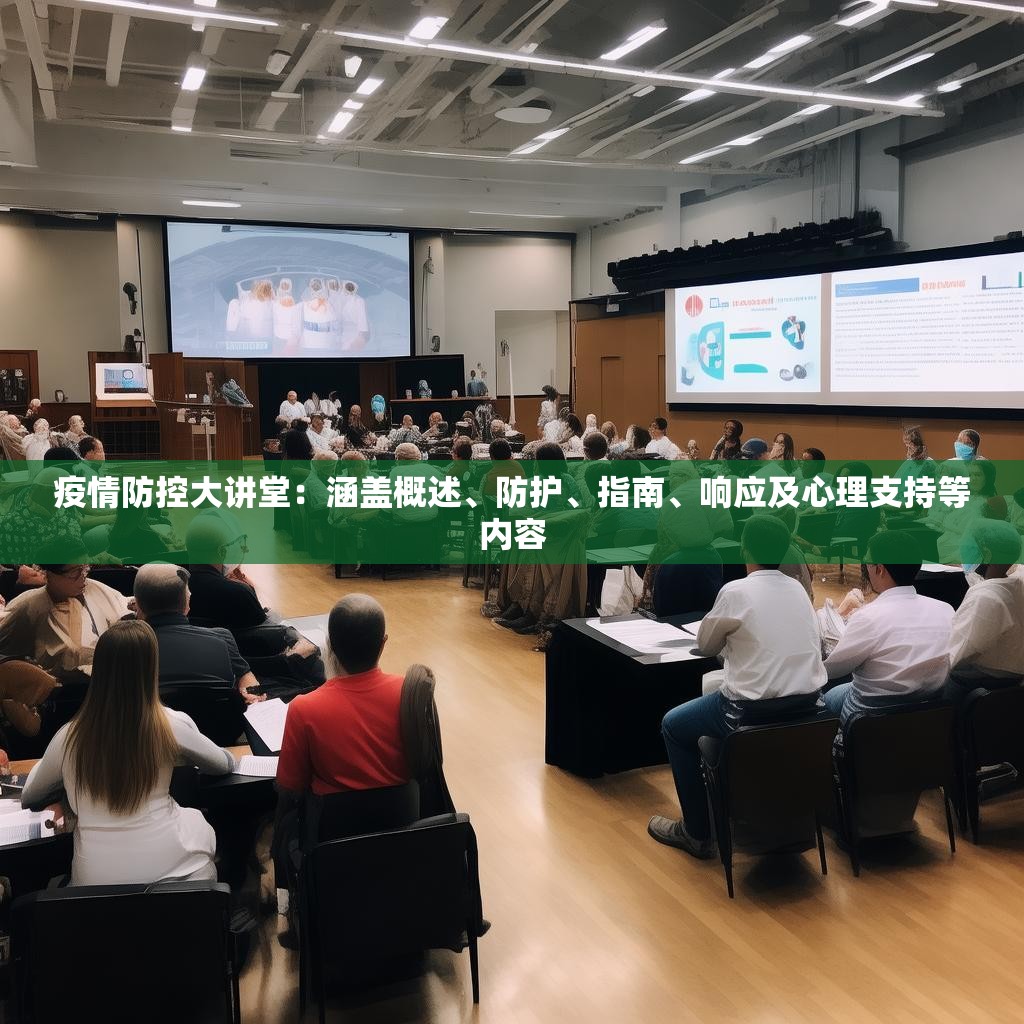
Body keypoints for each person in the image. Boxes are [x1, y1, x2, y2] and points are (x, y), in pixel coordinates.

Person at [649, 516, 826, 857]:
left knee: (673, 725)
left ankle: (696, 832)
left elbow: (706, 645)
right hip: (809, 707)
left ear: (745, 550)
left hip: (746, 711)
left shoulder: (735, 591)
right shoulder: (797, 590)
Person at [21, 620, 235, 886]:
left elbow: (30, 794)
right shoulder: (172, 725)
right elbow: (223, 763)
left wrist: (62, 784)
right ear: (151, 667)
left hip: (94, 883)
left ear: (98, 669)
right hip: (176, 868)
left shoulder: (68, 737)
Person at [277, 594, 407, 796]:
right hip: (404, 813)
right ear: (383, 643)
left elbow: (290, 787)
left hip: (332, 815)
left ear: (329, 645)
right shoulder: (410, 693)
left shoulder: (304, 709)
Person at [822, 532, 954, 723]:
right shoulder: (946, 610)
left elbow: (833, 670)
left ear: (880, 569)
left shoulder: (868, 616)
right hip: (929, 714)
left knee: (824, 700)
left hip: (869, 718)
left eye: (867, 562)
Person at [133, 563, 264, 704]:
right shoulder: (222, 638)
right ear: (187, 604)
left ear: (137, 604)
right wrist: (252, 697)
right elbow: (248, 681)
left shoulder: (124, 646)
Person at [0, 540, 129, 676]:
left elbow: (123, 605)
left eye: (85, 568)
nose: (83, 576)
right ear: (49, 574)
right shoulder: (30, 606)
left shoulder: (92, 588)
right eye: (75, 572)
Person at [947, 521, 1024, 685]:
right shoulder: (1018, 583)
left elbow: (954, 657)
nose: (963, 554)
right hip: (1013, 679)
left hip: (984, 682)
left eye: (970, 548)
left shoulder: (984, 597)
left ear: (987, 555)